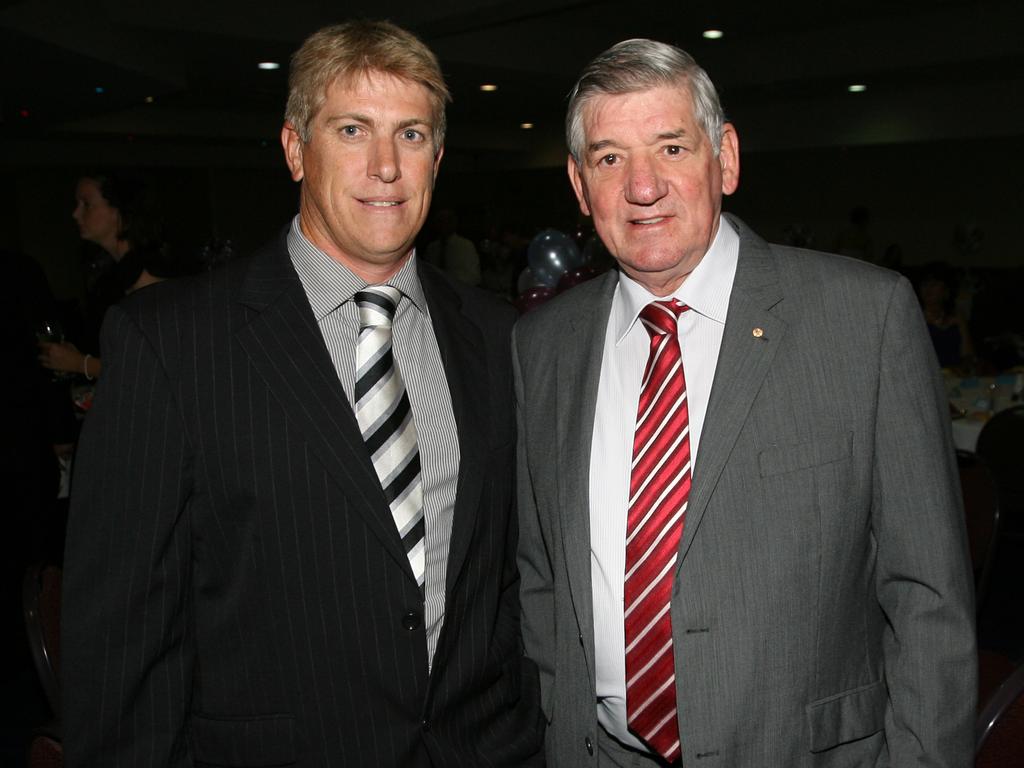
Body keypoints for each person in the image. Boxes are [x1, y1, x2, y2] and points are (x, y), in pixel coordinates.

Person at [62, 20, 543, 767]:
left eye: (411, 135)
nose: (385, 165)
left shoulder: (498, 338)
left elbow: (510, 572)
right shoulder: (173, 343)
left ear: (437, 159)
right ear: (295, 148)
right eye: (353, 129)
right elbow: (122, 636)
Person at [514, 39, 975, 767]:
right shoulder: (543, 347)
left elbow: (929, 596)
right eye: (609, 158)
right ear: (578, 184)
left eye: (670, 147)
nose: (643, 186)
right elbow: (540, 577)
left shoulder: (863, 318)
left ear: (724, 157)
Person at [37, 171, 168, 380]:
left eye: (86, 204)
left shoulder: (145, 272)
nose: (75, 214)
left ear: (118, 211)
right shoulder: (111, 273)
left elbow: (154, 364)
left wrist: (81, 364)